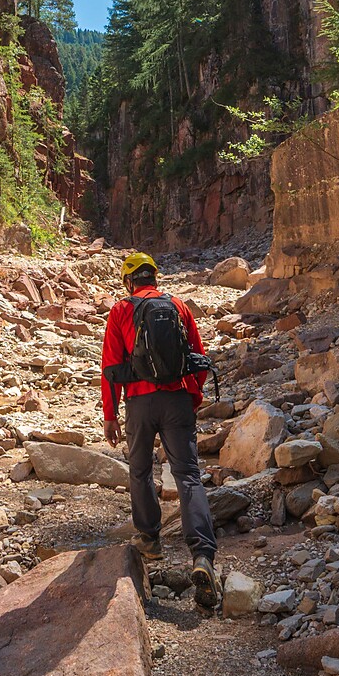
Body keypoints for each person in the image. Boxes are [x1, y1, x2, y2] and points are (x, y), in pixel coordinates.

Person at [100, 251, 220, 610]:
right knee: (187, 475)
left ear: (129, 281)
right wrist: (192, 397)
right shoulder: (179, 307)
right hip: (176, 400)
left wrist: (111, 415)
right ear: (155, 278)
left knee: (139, 472)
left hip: (139, 405)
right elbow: (198, 356)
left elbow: (110, 365)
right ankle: (202, 555)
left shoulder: (121, 310)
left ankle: (150, 540)